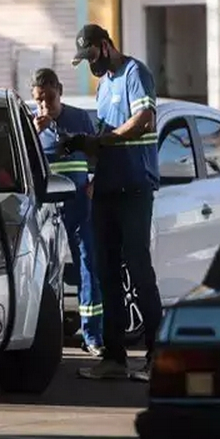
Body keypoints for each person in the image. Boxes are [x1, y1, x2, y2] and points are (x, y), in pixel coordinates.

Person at [65, 24, 161, 381]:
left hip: (134, 190)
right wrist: (84, 144)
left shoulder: (135, 73)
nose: (91, 64)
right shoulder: (104, 84)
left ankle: (157, 356)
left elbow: (143, 120)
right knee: (106, 275)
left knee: (138, 270)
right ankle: (114, 358)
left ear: (105, 46)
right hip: (105, 189)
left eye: (91, 55)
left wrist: (105, 141)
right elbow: (103, 134)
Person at [30, 68, 104, 357]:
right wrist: (34, 133)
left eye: (49, 98)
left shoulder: (80, 118)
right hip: (48, 212)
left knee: (88, 265)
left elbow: (98, 153)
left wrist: (95, 182)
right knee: (47, 272)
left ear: (59, 90)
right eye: (38, 100)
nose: (44, 106)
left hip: (79, 206)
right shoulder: (31, 125)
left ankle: (92, 335)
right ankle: (50, 338)